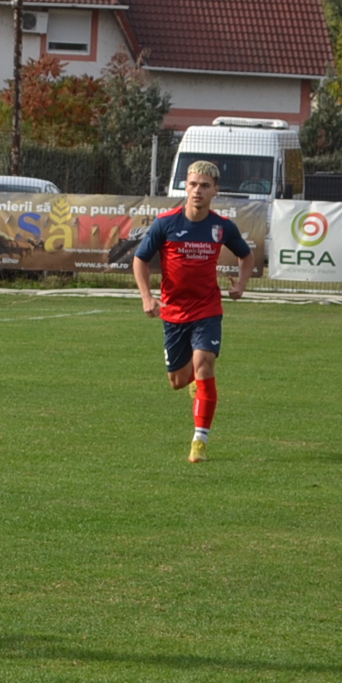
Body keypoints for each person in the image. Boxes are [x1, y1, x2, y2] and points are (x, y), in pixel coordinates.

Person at [132, 160, 255, 463]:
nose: (197, 190)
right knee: (178, 380)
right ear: (185, 187)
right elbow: (140, 260)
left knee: (204, 365)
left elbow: (246, 256)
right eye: (192, 184)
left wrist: (240, 285)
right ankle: (195, 387)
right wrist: (147, 297)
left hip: (207, 308)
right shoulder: (166, 223)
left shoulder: (221, 226)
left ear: (216, 190)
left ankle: (199, 440)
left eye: (204, 185)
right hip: (173, 311)